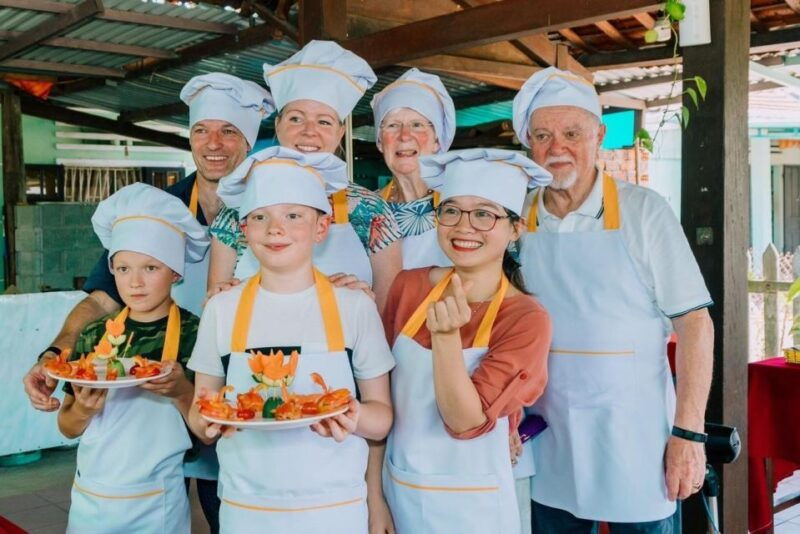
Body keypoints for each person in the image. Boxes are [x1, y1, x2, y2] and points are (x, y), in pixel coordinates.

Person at [24, 72, 271, 533]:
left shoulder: (274, 208)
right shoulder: (159, 207)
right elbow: (101, 301)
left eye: (228, 131)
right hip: (168, 410)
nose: (213, 143)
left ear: (249, 138)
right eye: (201, 130)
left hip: (244, 396)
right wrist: (55, 355)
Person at [512, 66, 715, 532]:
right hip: (548, 434)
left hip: (637, 436)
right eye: (542, 135)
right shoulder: (517, 219)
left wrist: (688, 433)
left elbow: (695, 326)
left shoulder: (645, 211)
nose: (556, 147)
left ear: (599, 135)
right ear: (528, 143)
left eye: (571, 133)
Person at [186, 146, 394, 533]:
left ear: (321, 227)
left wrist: (354, 416)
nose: (275, 229)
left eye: (293, 215)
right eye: (260, 217)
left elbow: (381, 420)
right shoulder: (222, 308)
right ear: (244, 231)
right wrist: (208, 423)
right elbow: (200, 411)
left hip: (335, 509)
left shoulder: (354, 307)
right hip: (246, 509)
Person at [376, 149, 552, 534]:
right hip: (399, 488)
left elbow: (464, 422)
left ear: (515, 229)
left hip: (474, 505)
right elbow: (380, 396)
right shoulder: (409, 286)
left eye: (485, 214)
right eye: (451, 211)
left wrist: (445, 338)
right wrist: (375, 498)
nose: (463, 226)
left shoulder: (525, 318)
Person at [57, 183, 209, 533]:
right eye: (123, 269)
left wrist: (181, 390)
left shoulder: (196, 334)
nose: (135, 283)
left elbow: (210, 433)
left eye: (151, 269)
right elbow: (67, 426)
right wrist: (83, 409)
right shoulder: (95, 335)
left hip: (158, 501)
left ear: (176, 272)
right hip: (91, 497)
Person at [207, 40, 402, 310]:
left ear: (340, 133)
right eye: (296, 119)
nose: (309, 132)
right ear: (278, 125)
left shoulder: (370, 210)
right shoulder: (237, 207)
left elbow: (390, 307)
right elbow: (215, 306)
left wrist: (362, 304)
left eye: (324, 121)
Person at [370, 68, 455, 269]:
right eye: (392, 125)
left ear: (437, 141)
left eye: (417, 125)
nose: (405, 136)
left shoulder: (463, 204)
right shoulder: (365, 209)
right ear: (380, 142)